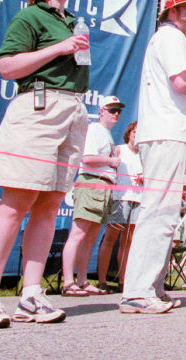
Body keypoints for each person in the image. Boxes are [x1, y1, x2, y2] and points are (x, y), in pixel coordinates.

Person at [0, 0, 89, 329]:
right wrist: (58, 48)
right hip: (37, 108)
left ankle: (31, 294)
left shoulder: (70, 20)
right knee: (16, 201)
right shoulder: (29, 18)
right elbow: (7, 67)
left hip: (73, 109)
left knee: (51, 204)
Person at [120, 0, 186, 314]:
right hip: (167, 133)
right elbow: (183, 82)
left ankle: (149, 287)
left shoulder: (166, 38)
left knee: (163, 212)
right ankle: (138, 291)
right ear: (172, 11)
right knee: (159, 212)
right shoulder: (171, 38)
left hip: (163, 132)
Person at [61, 95, 123, 295]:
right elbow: (86, 158)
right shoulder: (94, 130)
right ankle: (68, 281)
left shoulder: (106, 134)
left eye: (119, 111)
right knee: (78, 234)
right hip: (91, 183)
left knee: (91, 237)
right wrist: (111, 162)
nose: (116, 114)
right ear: (101, 111)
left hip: (104, 186)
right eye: (112, 110)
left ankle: (82, 280)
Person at [96, 119, 143, 291]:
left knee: (128, 241)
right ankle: (101, 280)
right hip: (119, 198)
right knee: (110, 239)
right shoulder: (118, 150)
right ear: (129, 133)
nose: (137, 134)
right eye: (135, 131)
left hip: (137, 199)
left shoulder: (144, 155)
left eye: (141, 132)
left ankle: (123, 281)